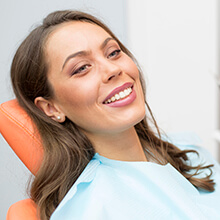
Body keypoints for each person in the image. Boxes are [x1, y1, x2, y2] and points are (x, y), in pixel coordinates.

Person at [10, 10, 220, 220]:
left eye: (113, 52)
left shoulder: (188, 150)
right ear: (51, 108)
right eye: (82, 68)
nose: (112, 69)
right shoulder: (92, 209)